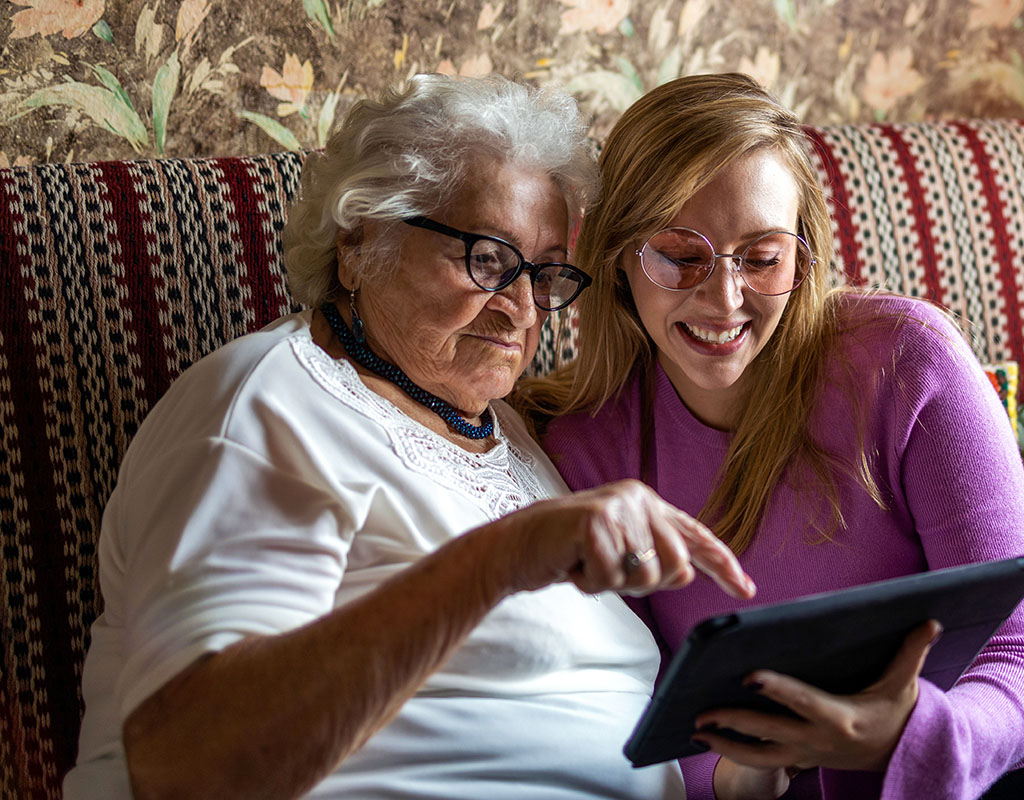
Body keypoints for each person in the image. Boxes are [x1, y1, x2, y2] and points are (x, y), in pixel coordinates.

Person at [62, 74, 757, 800]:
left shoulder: (513, 438)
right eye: (488, 259)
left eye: (546, 273)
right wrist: (499, 561)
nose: (522, 310)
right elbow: (184, 768)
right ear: (360, 241)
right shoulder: (270, 404)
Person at [517, 73, 1024, 800]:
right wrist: (740, 776)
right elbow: (637, 710)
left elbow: (1021, 652)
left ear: (803, 252)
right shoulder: (587, 450)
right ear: (621, 256)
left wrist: (911, 735)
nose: (723, 299)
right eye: (681, 256)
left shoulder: (905, 358)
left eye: (761, 256)